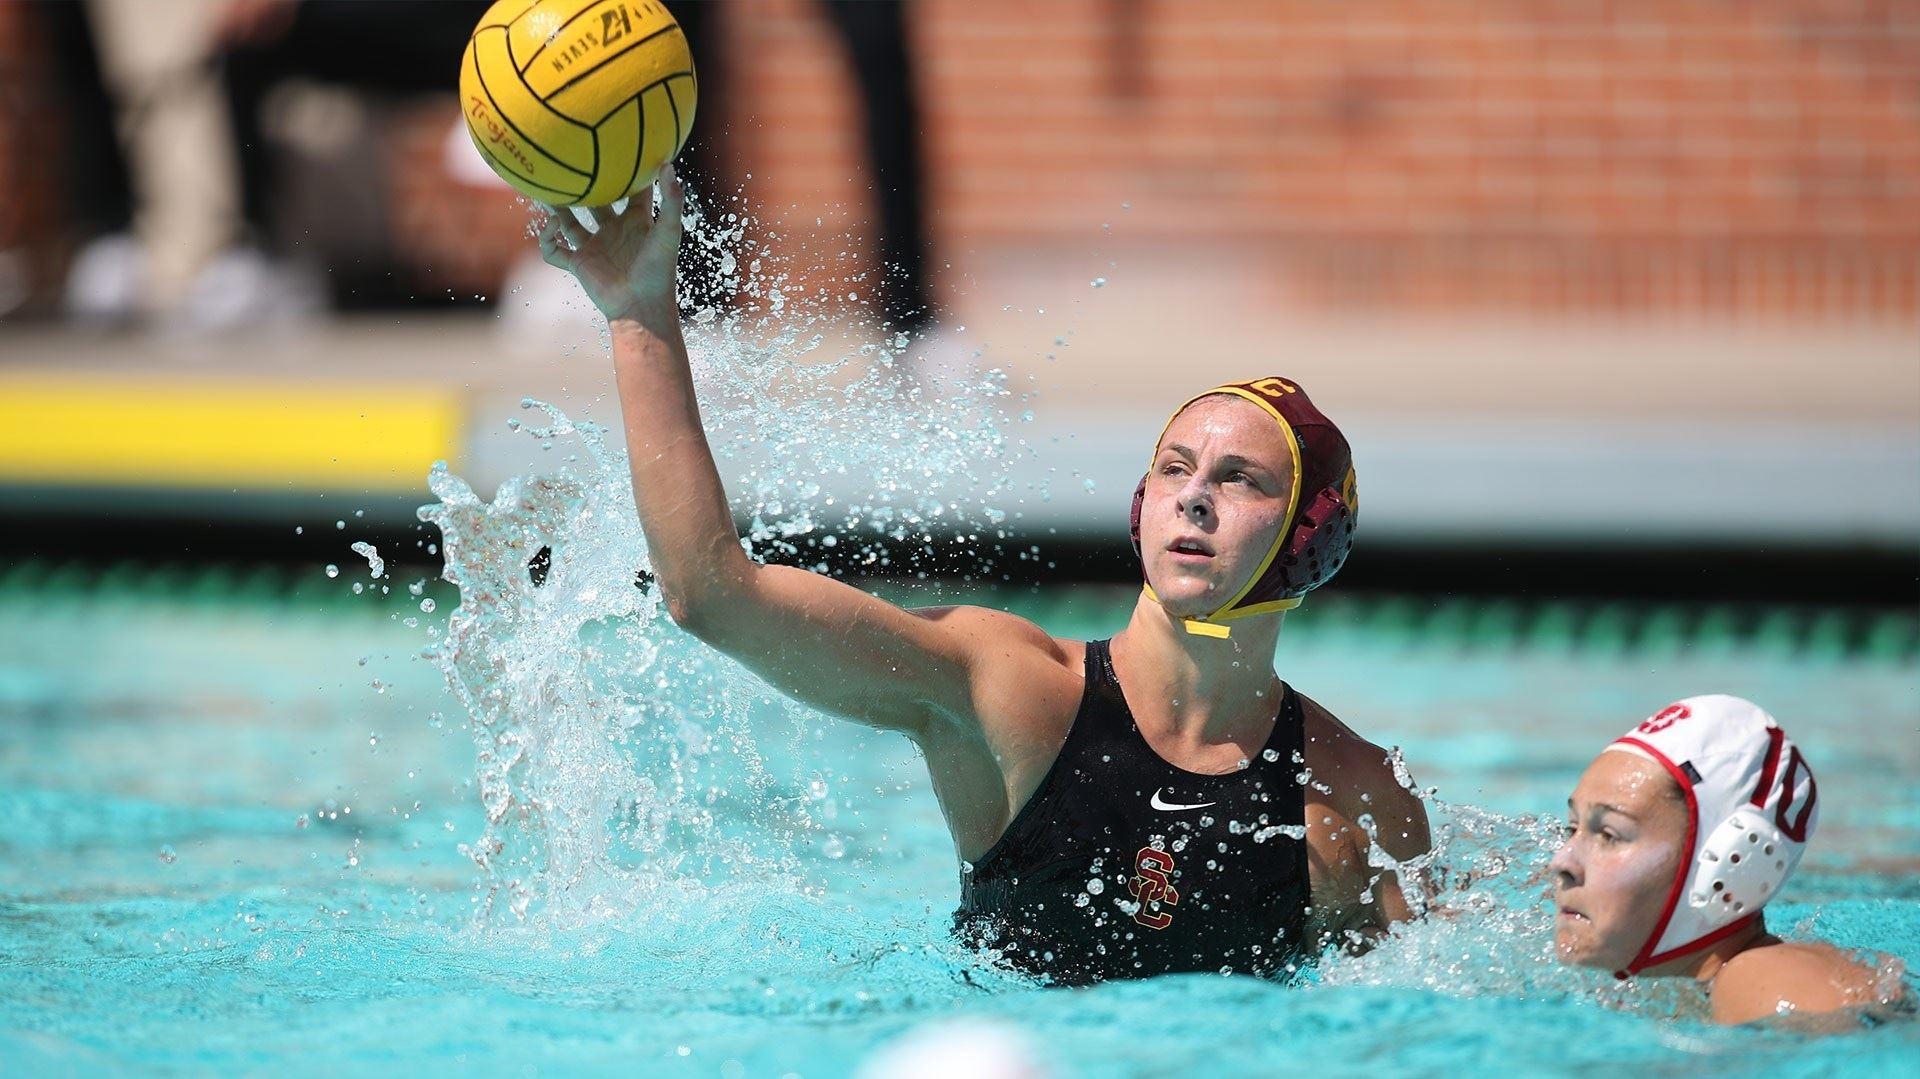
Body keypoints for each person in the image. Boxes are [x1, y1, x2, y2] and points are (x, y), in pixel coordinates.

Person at [531, 173, 1431, 986]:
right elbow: (710, 592)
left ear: (1311, 535)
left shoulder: (1355, 796)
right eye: (1174, 467)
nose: (1193, 497)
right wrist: (638, 310)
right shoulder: (1010, 691)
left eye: (1240, 479)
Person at [1552, 694, 1908, 1026]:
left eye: (1610, 835)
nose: (1562, 862)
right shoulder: (1715, 984)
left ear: (1730, 859)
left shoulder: (1763, 981)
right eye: (1572, 829)